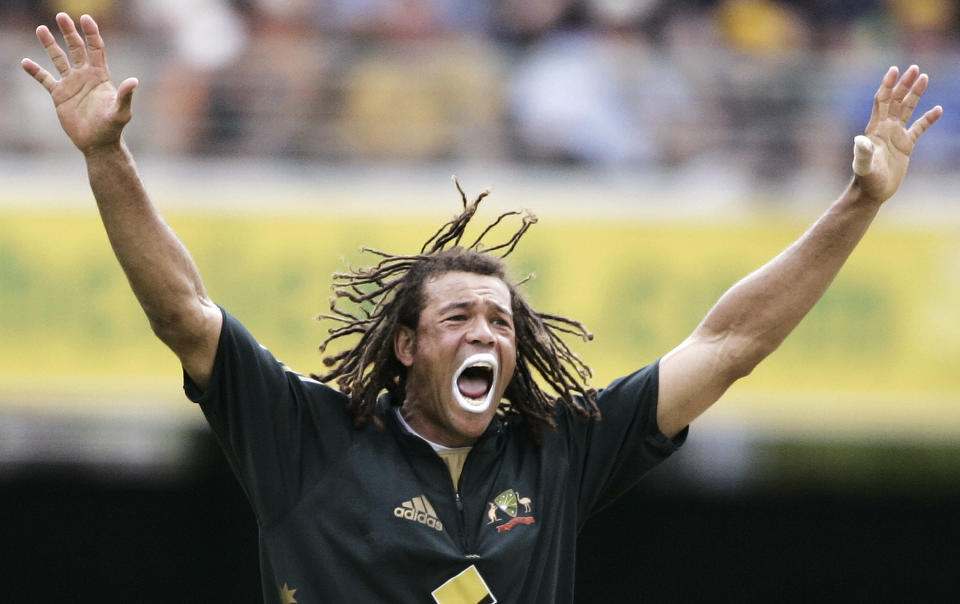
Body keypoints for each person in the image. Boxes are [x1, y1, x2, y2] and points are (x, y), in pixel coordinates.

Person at [22, 12, 941, 604]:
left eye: (502, 322)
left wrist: (858, 203)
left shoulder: (560, 450)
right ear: (406, 345)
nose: (487, 333)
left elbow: (731, 340)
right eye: (460, 316)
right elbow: (184, 311)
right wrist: (107, 155)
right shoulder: (306, 436)